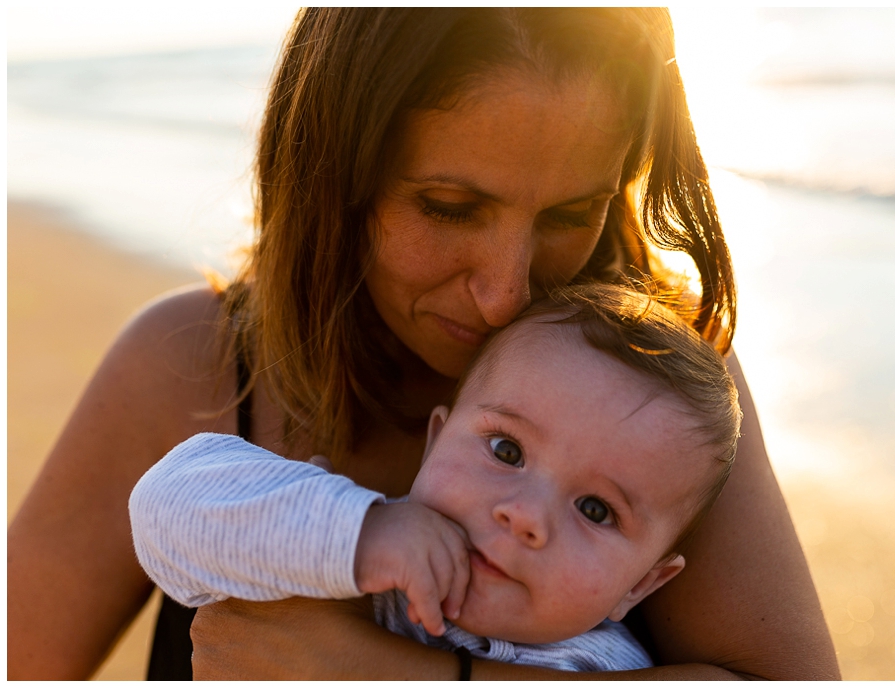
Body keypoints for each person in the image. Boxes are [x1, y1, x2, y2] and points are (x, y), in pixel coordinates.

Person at [7, 8, 839, 680]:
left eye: (567, 215)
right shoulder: (190, 362)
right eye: (448, 206)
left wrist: (389, 674)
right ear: (337, 173)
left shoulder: (667, 391)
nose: (507, 291)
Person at [129, 284, 743, 674]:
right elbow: (166, 505)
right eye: (506, 450)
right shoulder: (330, 539)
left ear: (637, 586)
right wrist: (361, 536)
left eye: (596, 509)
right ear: (434, 441)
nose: (524, 516)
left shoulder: (596, 670)